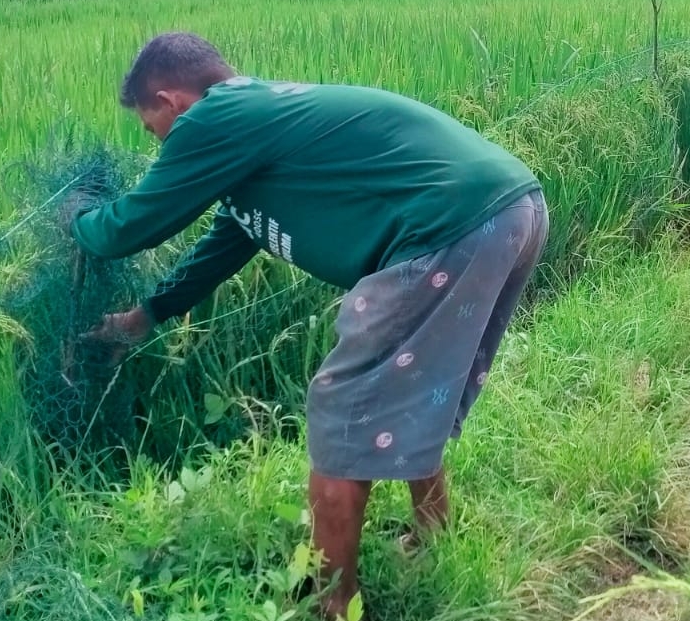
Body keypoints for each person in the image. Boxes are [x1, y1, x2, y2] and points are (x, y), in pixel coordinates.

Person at [64, 31, 549, 621]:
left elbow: (126, 229)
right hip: (508, 209)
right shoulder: (256, 125)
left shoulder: (214, 117)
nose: (160, 143)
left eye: (152, 128)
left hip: (450, 226)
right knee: (417, 385)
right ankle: (433, 532)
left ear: (171, 102)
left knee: (341, 409)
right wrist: (145, 317)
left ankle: (331, 603)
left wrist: (75, 219)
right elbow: (224, 247)